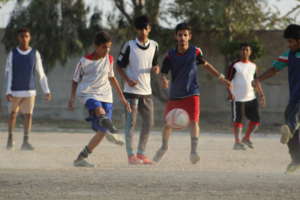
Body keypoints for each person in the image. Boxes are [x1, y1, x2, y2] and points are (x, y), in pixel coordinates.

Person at [152, 23, 231, 164]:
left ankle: (193, 151)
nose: (182, 37)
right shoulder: (170, 55)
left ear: (189, 36)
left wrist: (222, 78)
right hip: (175, 95)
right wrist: (164, 79)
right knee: (168, 123)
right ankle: (163, 147)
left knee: (194, 121)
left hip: (192, 94)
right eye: (180, 35)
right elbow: (164, 72)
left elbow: (207, 66)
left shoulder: (195, 52)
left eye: (185, 35)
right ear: (175, 36)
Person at [68, 31, 131, 167]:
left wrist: (123, 99)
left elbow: (112, 78)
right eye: (104, 47)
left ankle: (80, 159)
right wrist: (72, 98)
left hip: (106, 95)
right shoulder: (84, 61)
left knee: (101, 133)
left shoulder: (109, 59)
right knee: (99, 110)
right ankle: (113, 131)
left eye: (109, 47)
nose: (106, 50)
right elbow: (75, 80)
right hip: (88, 93)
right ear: (96, 46)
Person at [253, 24, 300, 173]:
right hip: (295, 96)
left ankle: (295, 158)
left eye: (292, 42)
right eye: (289, 42)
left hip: (297, 98)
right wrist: (259, 79)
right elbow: (274, 69)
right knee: (292, 126)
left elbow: (274, 70)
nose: (289, 44)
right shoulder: (288, 55)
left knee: (291, 122)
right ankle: (296, 158)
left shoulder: (290, 54)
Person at [116, 15, 160, 165]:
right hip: (131, 92)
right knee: (131, 124)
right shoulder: (129, 46)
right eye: (140, 28)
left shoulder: (155, 45)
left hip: (146, 92)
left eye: (145, 28)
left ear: (149, 29)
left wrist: (156, 68)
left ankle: (141, 153)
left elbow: (155, 64)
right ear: (136, 29)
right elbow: (118, 66)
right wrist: (128, 80)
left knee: (149, 122)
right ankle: (131, 155)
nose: (143, 31)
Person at [4, 28, 51, 151]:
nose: (24, 39)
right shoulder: (12, 53)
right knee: (13, 114)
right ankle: (10, 138)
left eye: (26, 36)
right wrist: (8, 91)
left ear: (29, 38)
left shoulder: (35, 53)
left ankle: (26, 141)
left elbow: (41, 73)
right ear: (18, 38)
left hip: (30, 91)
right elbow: (8, 73)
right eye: (22, 36)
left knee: (28, 115)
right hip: (15, 91)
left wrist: (46, 90)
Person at [226, 43, 265, 150]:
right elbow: (227, 81)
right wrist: (230, 93)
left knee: (256, 120)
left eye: (247, 50)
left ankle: (246, 138)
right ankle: (237, 142)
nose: (245, 52)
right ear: (240, 51)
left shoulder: (253, 66)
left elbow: (256, 81)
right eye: (243, 50)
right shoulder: (234, 65)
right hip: (237, 98)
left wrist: (261, 94)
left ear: (250, 52)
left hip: (251, 97)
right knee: (238, 120)